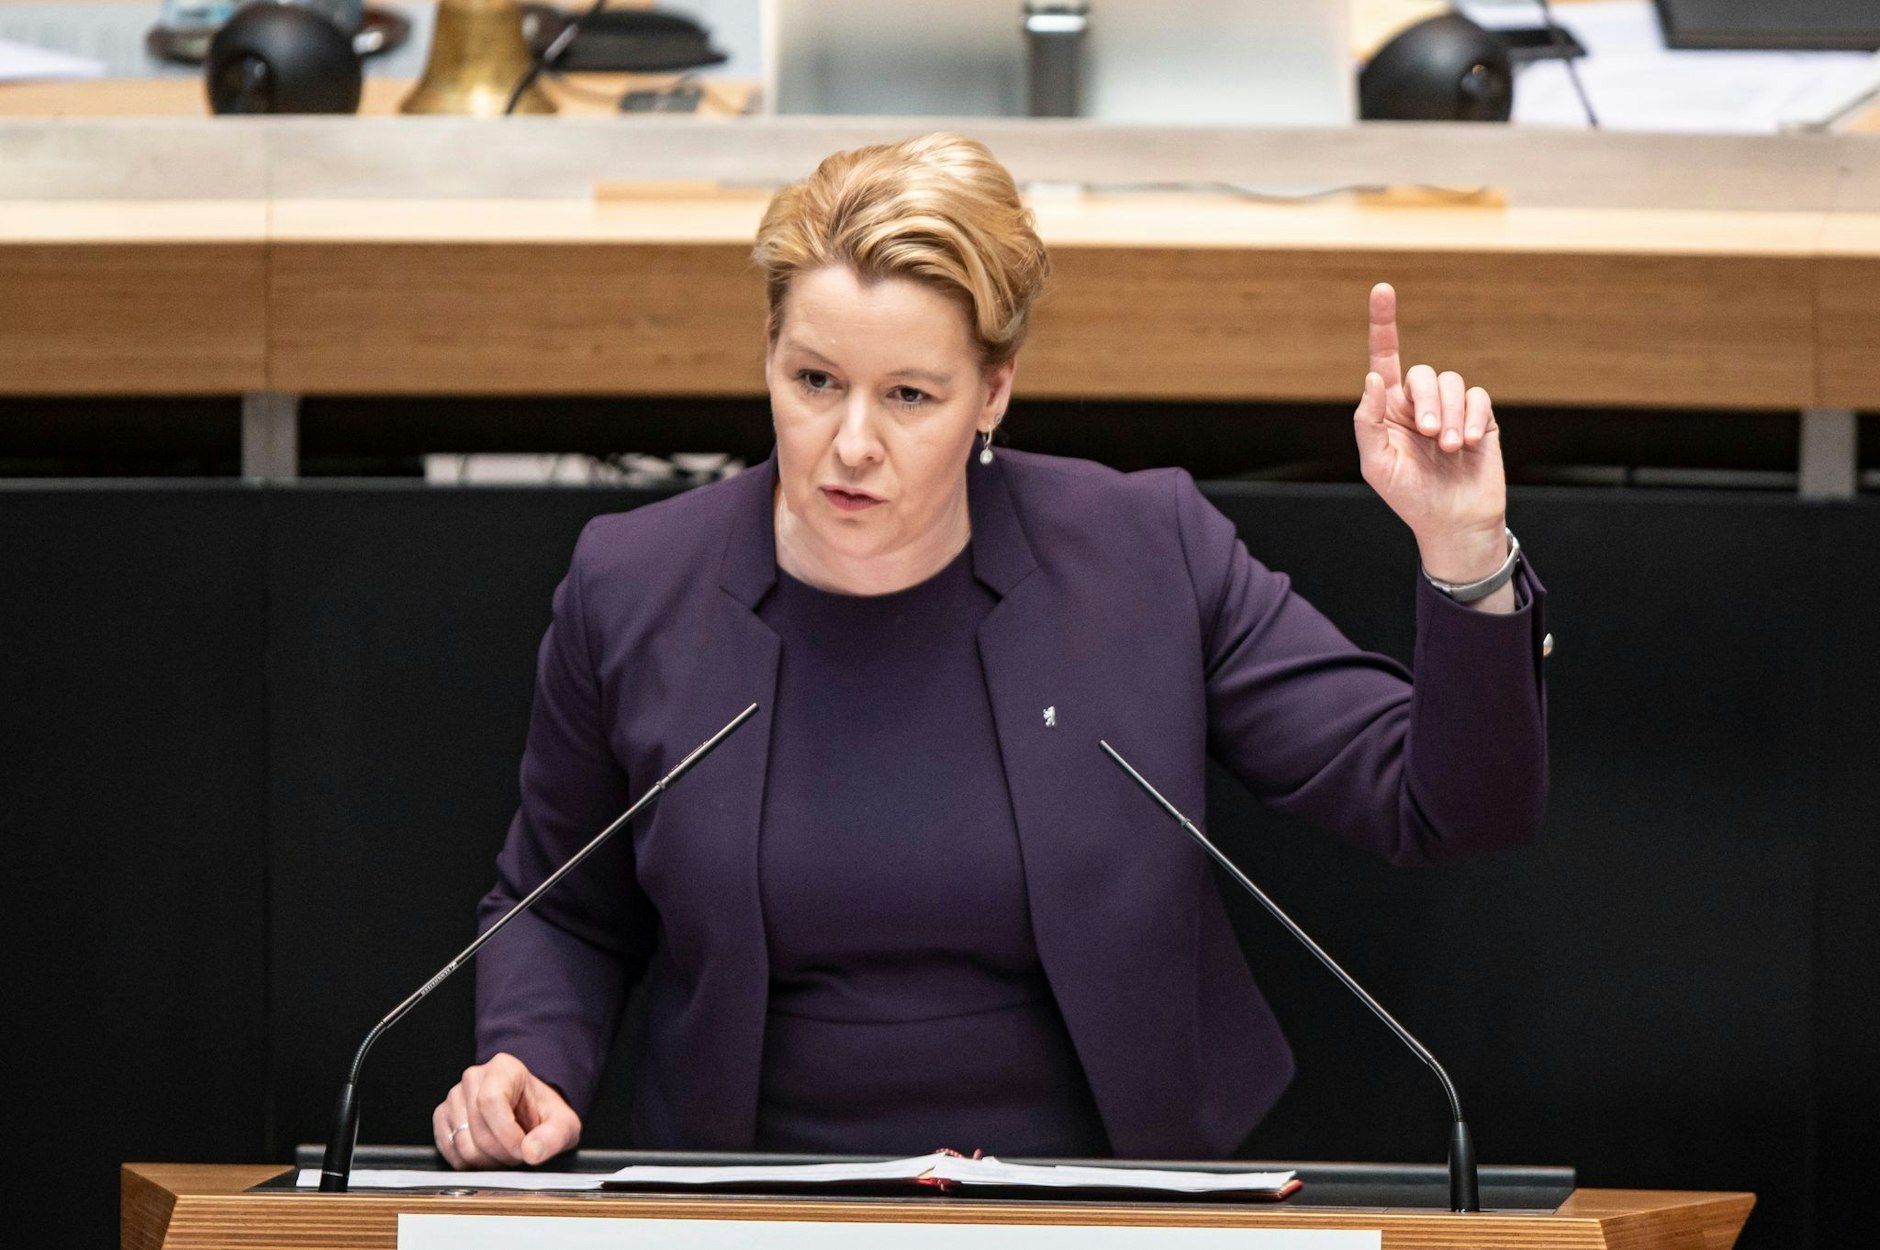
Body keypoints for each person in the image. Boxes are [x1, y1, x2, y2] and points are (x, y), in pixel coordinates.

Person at [432, 132, 1548, 1169]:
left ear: (993, 392)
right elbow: (560, 901)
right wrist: (530, 1059)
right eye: (814, 381)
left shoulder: (1140, 553)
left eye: (909, 395)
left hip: (1104, 1201)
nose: (851, 443)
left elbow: (1446, 805)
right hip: (755, 1197)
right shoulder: (635, 582)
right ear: (766, 353)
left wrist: (1463, 549)